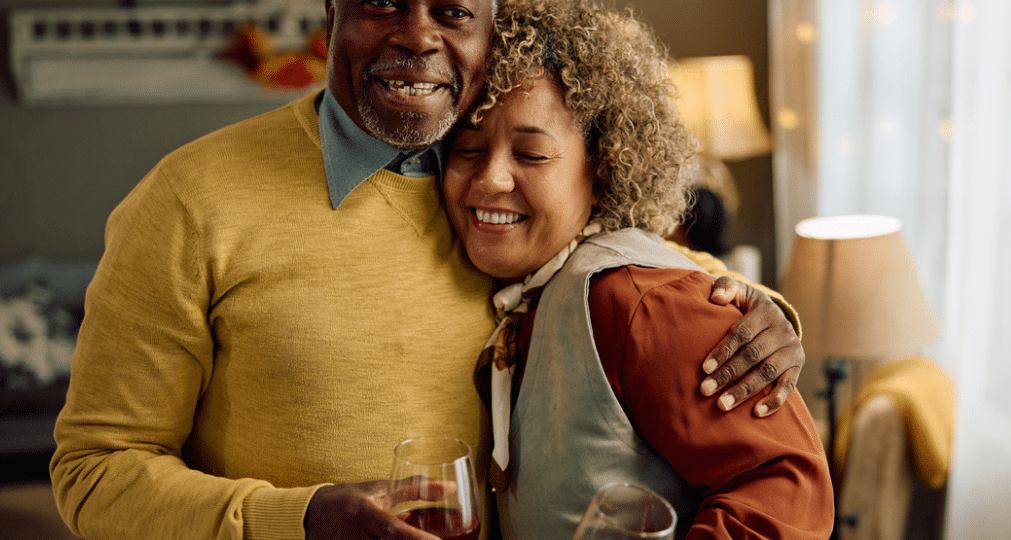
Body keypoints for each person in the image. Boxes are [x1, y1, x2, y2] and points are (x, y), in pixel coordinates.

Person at [49, 1, 806, 540]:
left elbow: (649, 276)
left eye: (452, 10)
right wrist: (301, 519)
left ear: (486, 29)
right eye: (382, 1)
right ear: (330, 12)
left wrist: (766, 313)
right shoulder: (190, 199)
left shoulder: (495, 189)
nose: (417, 34)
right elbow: (94, 472)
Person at [443, 1, 835, 538]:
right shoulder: (529, 287)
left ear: (603, 168)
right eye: (467, 147)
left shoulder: (631, 298)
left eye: (532, 155)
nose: (490, 180)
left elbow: (785, 488)